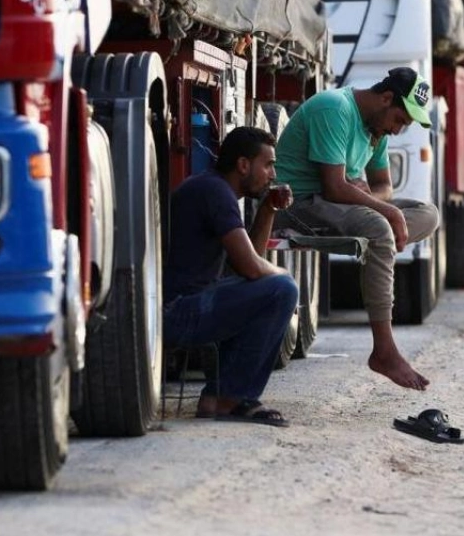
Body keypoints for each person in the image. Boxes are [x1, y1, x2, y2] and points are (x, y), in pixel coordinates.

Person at [273, 67, 440, 392]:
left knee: (428, 214)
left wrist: (370, 198)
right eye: (400, 120)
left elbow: (383, 186)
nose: (398, 130)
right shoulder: (335, 108)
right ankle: (384, 350)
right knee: (380, 225)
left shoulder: (375, 129)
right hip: (300, 203)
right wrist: (382, 209)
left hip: (341, 205)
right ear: (386, 98)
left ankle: (380, 242)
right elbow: (334, 187)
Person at [163, 126, 299, 427]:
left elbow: (248, 267)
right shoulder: (216, 192)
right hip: (177, 312)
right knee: (283, 290)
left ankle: (219, 396)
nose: (273, 174)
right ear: (243, 165)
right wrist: (285, 279)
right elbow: (252, 268)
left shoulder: (214, 187)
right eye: (268, 164)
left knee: (273, 289)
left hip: (184, 305)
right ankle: (232, 397)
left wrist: (268, 209)